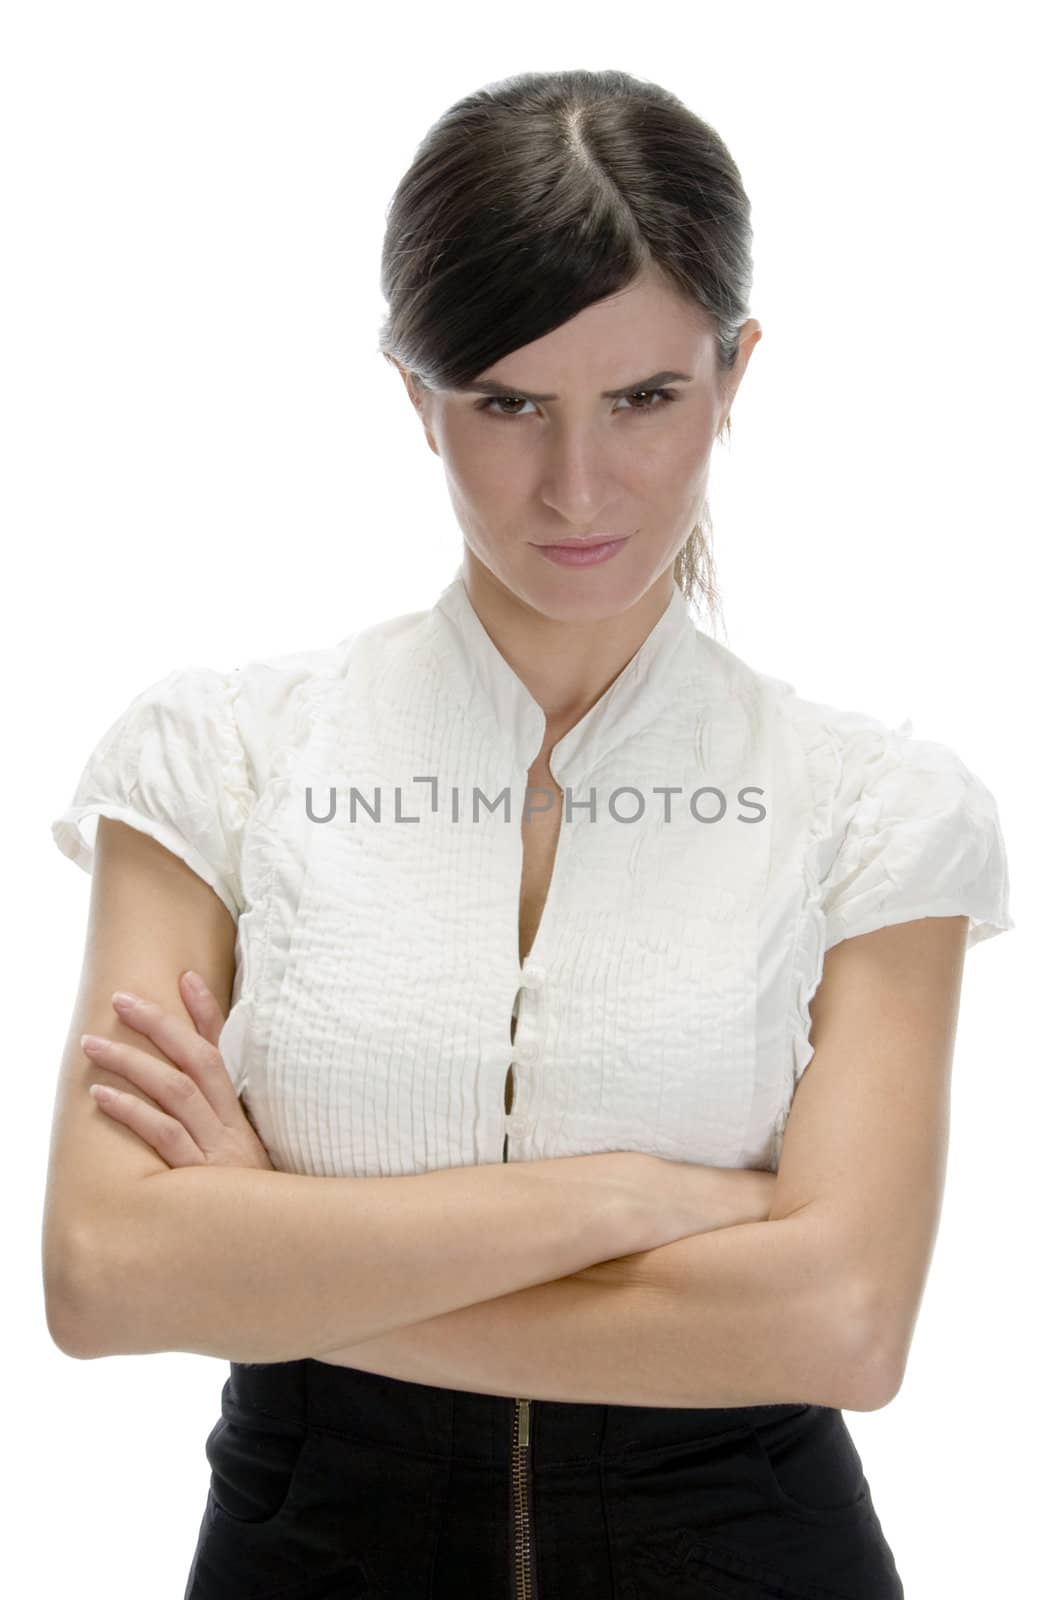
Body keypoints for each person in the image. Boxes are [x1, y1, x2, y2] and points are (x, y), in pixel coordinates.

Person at [44, 69, 1013, 1600]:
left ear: (737, 372)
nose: (578, 486)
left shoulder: (874, 811)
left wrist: (268, 1263)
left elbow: (842, 1326)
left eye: (646, 398)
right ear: (414, 396)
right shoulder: (219, 758)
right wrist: (641, 1199)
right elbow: (102, 1277)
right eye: (506, 403)